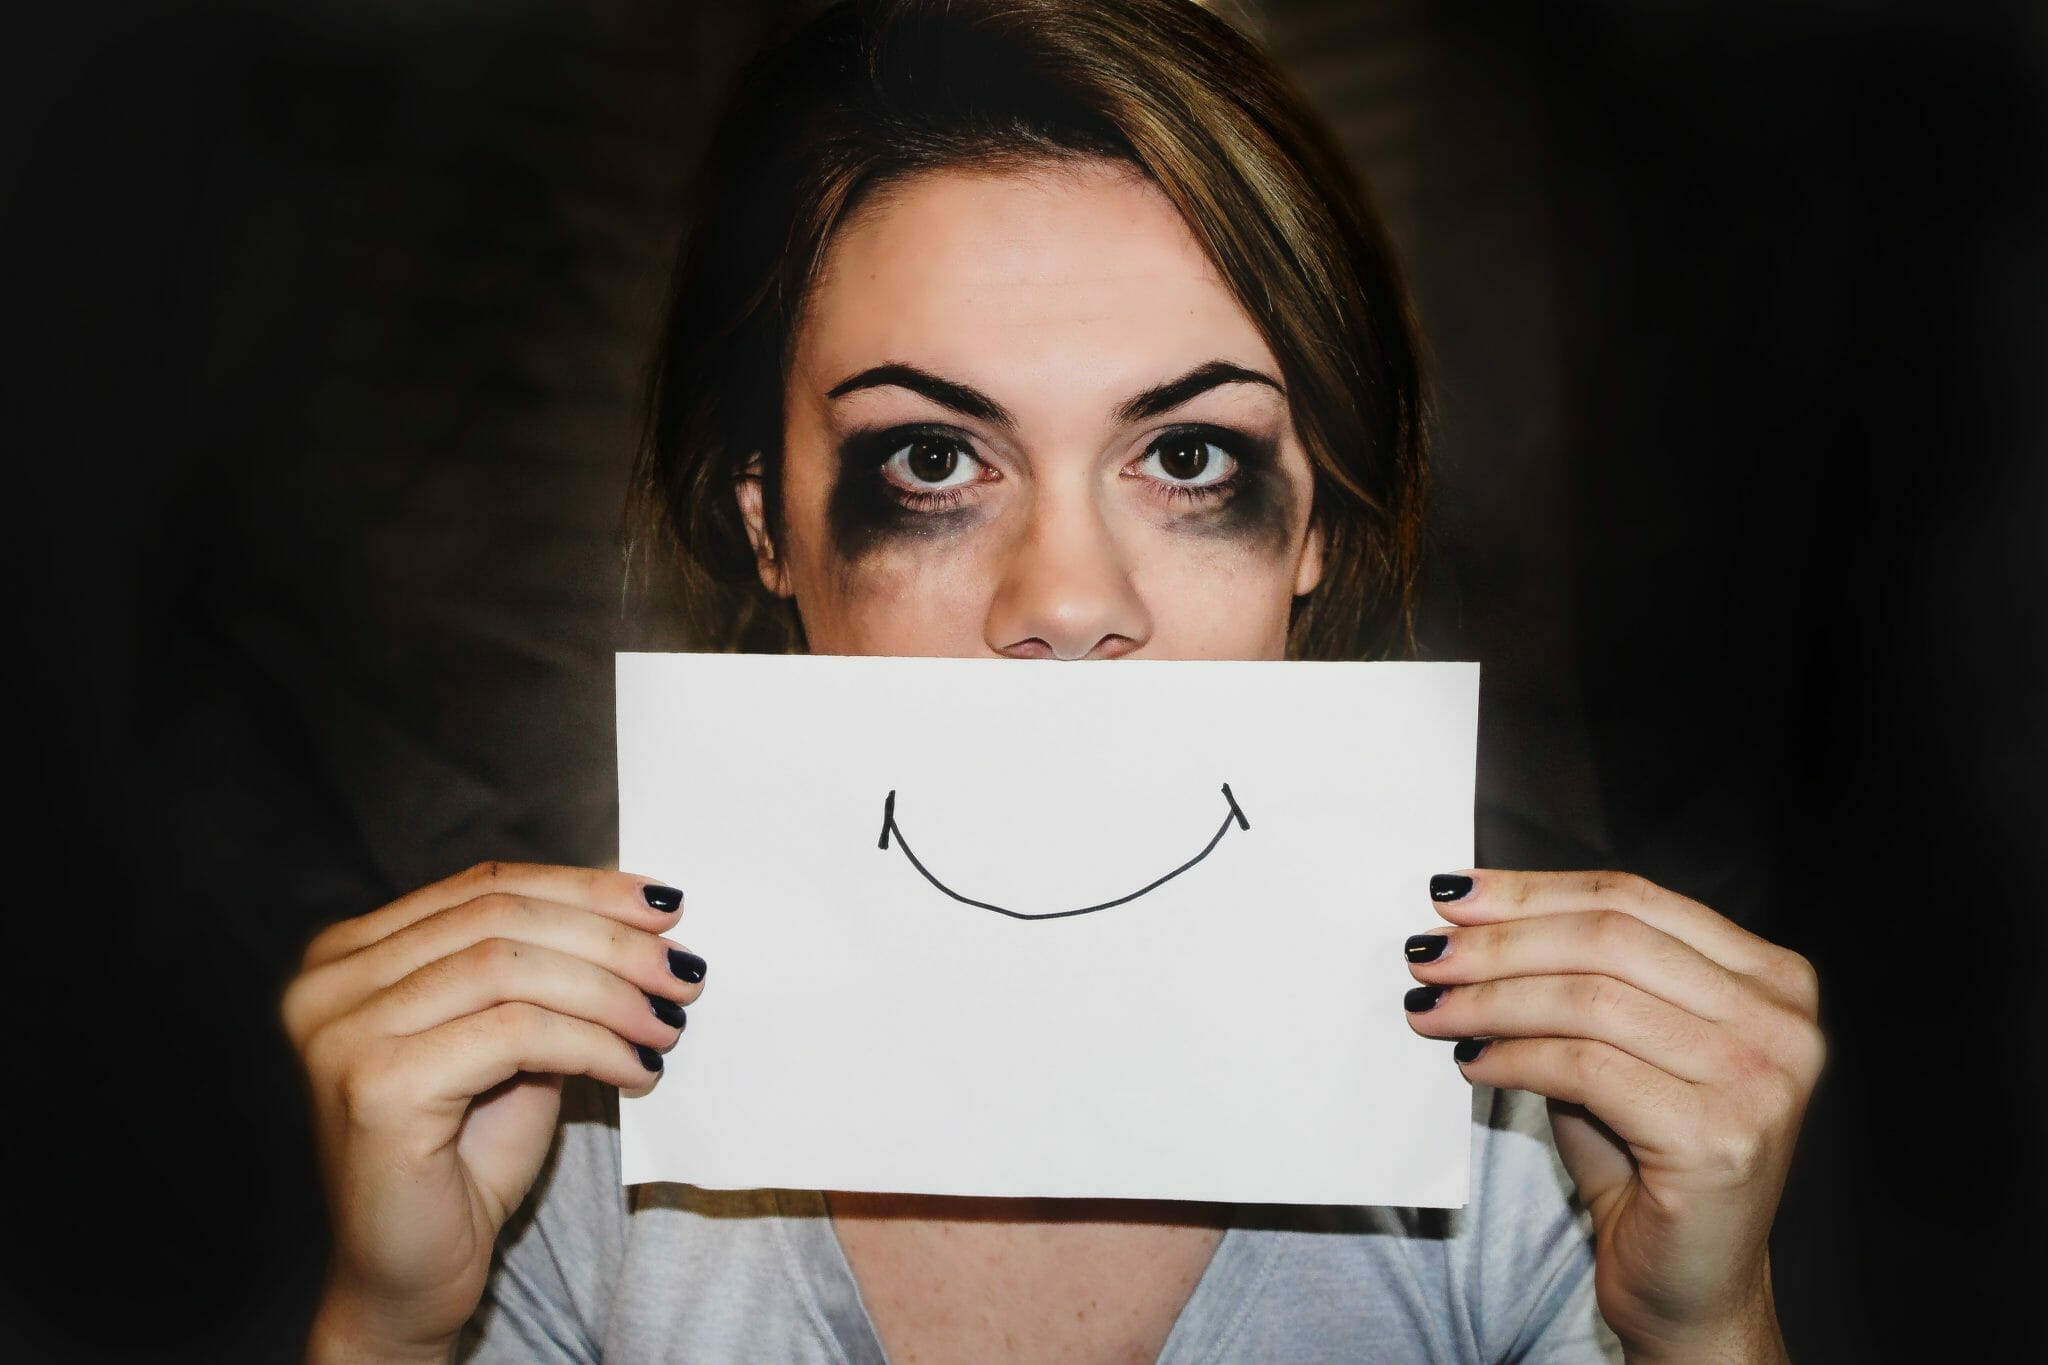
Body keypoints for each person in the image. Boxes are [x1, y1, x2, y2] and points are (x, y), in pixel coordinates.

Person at [282, 1, 1824, 1360]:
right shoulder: (563, 1143)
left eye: (1190, 456)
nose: (1069, 602)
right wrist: (390, 1327)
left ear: (1318, 531)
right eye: (936, 458)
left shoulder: (1540, 1141)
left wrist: (1702, 1329)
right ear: (769, 522)